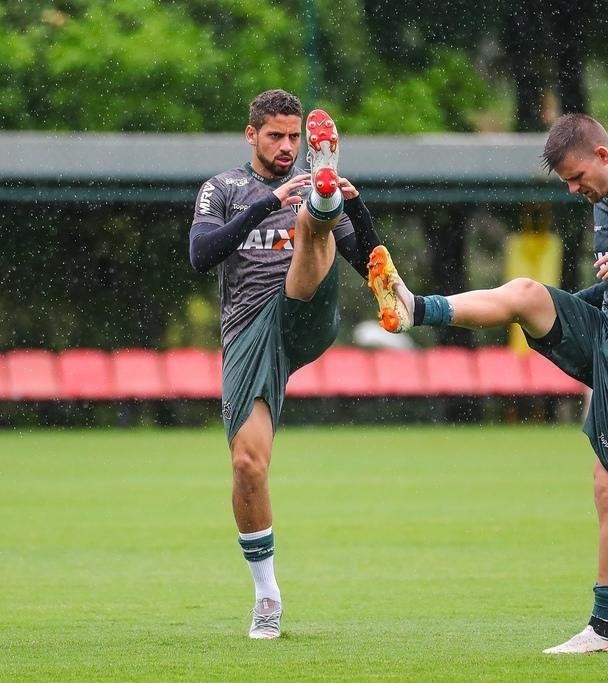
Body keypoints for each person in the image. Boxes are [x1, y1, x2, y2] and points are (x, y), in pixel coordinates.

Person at [366, 113, 608, 654]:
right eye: (567, 183)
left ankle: (602, 631)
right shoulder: (603, 203)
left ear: (604, 154)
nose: (575, 190)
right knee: (530, 293)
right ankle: (417, 308)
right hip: (607, 334)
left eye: (578, 177)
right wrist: (561, 314)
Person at [189, 89, 387, 639]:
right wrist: (268, 203)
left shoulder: (301, 184)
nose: (286, 146)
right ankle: (267, 597)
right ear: (251, 135)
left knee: (316, 222)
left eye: (295, 137)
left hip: (304, 312)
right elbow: (201, 255)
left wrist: (353, 204)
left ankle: (326, 204)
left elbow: (369, 257)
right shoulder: (224, 189)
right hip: (249, 333)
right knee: (248, 466)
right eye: (275, 136)